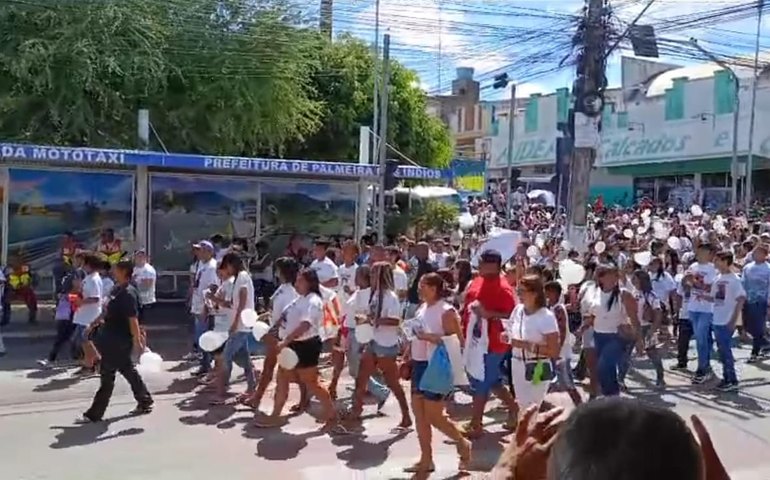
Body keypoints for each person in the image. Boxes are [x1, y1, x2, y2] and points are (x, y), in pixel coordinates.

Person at [254, 268, 337, 430]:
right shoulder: (300, 299)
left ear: (309, 283)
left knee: (312, 383)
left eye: (300, 280)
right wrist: (272, 328)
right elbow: (285, 317)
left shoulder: (313, 301)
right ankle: (275, 415)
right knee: (282, 377)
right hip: (293, 345)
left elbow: (305, 324)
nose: (296, 283)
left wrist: (285, 341)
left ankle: (331, 414)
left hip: (305, 346)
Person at [406, 272, 471, 474]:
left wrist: (430, 337)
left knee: (434, 415)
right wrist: (407, 355)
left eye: (423, 285)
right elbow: (416, 335)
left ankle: (462, 442)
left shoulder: (447, 311)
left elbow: (457, 342)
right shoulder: (422, 308)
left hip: (437, 367)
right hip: (418, 364)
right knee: (419, 415)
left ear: (434, 288)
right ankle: (426, 459)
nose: (419, 289)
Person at [79, 260, 153, 422]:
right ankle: (144, 400)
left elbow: (132, 319)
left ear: (124, 271)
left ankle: (94, 414)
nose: (113, 271)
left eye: (116, 269)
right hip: (110, 336)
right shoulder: (116, 289)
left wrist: (137, 341)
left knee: (107, 376)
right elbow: (106, 309)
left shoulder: (128, 293)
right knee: (127, 370)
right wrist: (93, 323)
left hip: (119, 340)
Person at [347, 261, 411, 430]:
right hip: (373, 342)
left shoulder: (391, 297)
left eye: (375, 274)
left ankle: (406, 415)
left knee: (393, 383)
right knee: (361, 377)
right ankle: (356, 410)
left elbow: (396, 321)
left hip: (386, 345)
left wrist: (374, 320)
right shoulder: (375, 295)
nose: (372, 277)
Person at [462, 249, 518, 437]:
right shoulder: (477, 281)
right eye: (481, 261)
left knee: (482, 381)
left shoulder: (504, 288)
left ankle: (475, 424)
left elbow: (513, 315)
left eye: (485, 262)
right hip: (476, 340)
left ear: (495, 265)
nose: (481, 265)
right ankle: (515, 409)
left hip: (495, 342)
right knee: (492, 380)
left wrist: (488, 314)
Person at [246, 257, 301, 411]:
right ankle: (257, 398)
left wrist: (273, 332)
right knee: (271, 368)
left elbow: (287, 315)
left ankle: (302, 400)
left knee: (288, 373)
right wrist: (263, 316)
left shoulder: (290, 292)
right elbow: (274, 312)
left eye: (277, 269)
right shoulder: (282, 288)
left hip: (281, 336)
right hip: (276, 333)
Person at [506, 275, 560, 412]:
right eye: (518, 291)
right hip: (517, 363)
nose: (519, 295)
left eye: (523, 291)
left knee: (531, 407)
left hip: (539, 365)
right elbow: (510, 330)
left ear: (535, 293)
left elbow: (554, 351)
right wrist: (506, 336)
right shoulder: (518, 310)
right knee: (522, 405)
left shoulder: (546, 316)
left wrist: (524, 345)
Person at [586, 264, 640, 397]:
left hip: (616, 337)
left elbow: (634, 318)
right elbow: (593, 314)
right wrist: (583, 327)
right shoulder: (595, 292)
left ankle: (612, 396)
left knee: (604, 366)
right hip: (599, 335)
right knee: (604, 370)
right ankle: (611, 397)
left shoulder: (623, 294)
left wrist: (639, 340)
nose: (612, 279)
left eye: (614, 276)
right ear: (601, 278)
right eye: (608, 275)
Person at [710, 250, 745, 392]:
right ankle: (727, 378)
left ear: (725, 261)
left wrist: (734, 320)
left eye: (718, 260)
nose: (715, 262)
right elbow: (714, 297)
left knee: (725, 351)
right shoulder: (718, 278)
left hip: (726, 320)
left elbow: (741, 299)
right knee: (721, 351)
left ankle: (731, 379)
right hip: (717, 318)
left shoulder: (734, 279)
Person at [741, 243, 770, 363]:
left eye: (759, 253)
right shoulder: (747, 267)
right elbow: (743, 282)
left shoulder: (768, 269)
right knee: (748, 326)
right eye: (754, 252)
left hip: (761, 300)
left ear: (765, 255)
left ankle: (755, 351)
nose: (755, 254)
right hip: (748, 299)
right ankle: (765, 344)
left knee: (757, 326)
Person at [132, 250, 157, 324]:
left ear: (145, 258)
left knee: (143, 324)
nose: (138, 259)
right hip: (138, 300)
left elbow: (147, 285)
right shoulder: (135, 269)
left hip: (146, 301)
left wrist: (135, 282)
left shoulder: (149, 270)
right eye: (137, 257)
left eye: (141, 257)